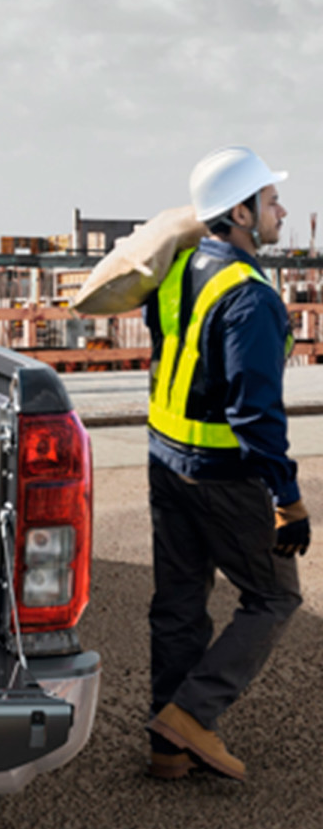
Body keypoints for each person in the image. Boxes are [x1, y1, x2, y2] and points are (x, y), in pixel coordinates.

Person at [144, 145, 308, 782]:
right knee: (274, 596)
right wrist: (288, 500)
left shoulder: (181, 268)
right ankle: (191, 714)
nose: (281, 211)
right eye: (270, 202)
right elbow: (255, 413)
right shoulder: (250, 297)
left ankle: (168, 749)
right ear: (239, 212)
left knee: (180, 600)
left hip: (165, 459)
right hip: (219, 471)